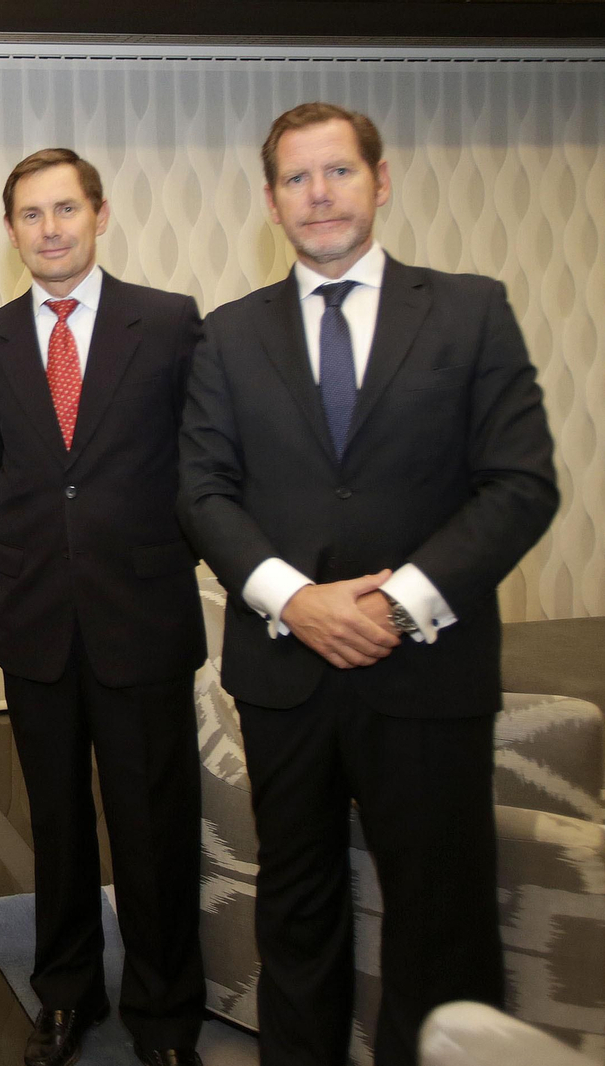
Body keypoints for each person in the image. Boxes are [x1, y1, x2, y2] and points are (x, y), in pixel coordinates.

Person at [179, 102, 557, 1066]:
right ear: (270, 202)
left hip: (427, 676)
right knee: (297, 915)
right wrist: (296, 601)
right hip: (284, 678)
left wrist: (397, 603)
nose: (319, 195)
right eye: (297, 179)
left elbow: (519, 485)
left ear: (380, 181)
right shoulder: (227, 335)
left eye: (338, 172)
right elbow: (202, 489)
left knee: (442, 924)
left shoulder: (471, 310)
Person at [0, 148, 208, 1066]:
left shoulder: (171, 324)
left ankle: (166, 1012)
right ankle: (65, 994)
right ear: (11, 228)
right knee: (56, 826)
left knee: (155, 829)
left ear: (100, 214)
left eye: (66, 209)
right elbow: (0, 473)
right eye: (31, 214)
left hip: (142, 616)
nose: (50, 229)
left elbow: (200, 466)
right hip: (38, 623)